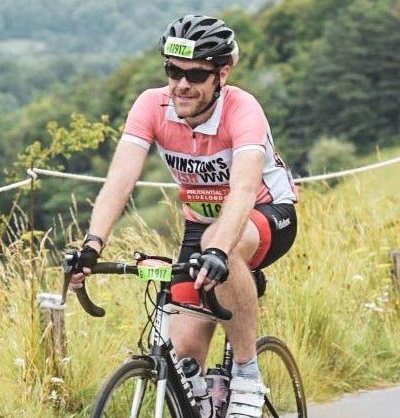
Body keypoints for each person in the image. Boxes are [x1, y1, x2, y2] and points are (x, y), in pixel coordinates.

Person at [68, 15, 298, 417]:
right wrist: (92, 244)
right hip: (202, 224)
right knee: (185, 353)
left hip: (266, 213)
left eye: (195, 74)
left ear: (221, 74)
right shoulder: (151, 105)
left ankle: (246, 376)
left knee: (218, 247)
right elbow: (120, 179)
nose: (182, 85)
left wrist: (221, 249)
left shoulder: (242, 109)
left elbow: (243, 190)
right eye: (174, 71)